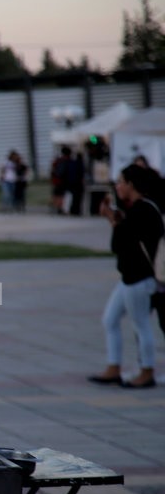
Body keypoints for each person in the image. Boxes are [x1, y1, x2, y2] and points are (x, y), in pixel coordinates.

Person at [88, 164, 163, 389]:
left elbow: (120, 243)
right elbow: (126, 237)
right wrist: (116, 218)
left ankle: (147, 371)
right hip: (128, 277)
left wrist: (112, 219)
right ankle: (114, 367)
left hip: (140, 278)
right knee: (109, 319)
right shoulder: (139, 208)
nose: (117, 186)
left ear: (131, 185)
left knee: (141, 325)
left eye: (120, 182)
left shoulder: (144, 209)